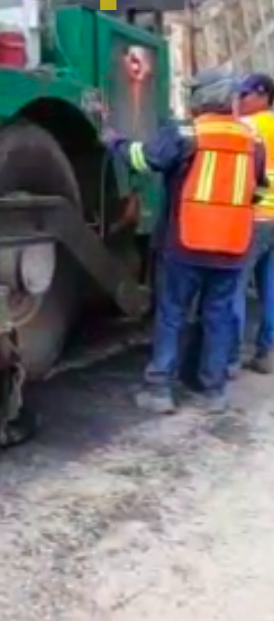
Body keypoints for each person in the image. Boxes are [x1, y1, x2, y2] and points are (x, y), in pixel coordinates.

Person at [104, 76, 266, 413]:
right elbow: (256, 188)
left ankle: (160, 389)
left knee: (172, 313)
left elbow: (143, 159)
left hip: (186, 244)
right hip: (232, 246)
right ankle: (214, 390)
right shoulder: (253, 142)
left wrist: (113, 141)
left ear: (200, 99)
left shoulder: (185, 134)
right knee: (218, 315)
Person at [231, 72, 274, 375]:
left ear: (261, 96)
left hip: (256, 217)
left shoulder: (249, 127)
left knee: (233, 285)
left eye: (243, 95)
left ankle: (230, 357)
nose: (239, 100)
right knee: (270, 287)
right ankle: (266, 352)